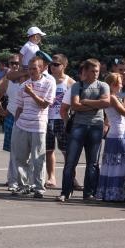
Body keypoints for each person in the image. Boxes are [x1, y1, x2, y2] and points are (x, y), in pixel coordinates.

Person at [58, 59, 110, 202]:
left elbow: (106, 102)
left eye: (97, 71)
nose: (95, 74)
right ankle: (65, 192)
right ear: (85, 71)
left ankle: (89, 193)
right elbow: (74, 106)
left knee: (92, 162)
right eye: (92, 71)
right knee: (70, 161)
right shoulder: (77, 85)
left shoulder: (103, 85)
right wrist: (95, 105)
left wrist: (85, 102)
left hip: (96, 126)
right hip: (78, 126)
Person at [11, 56, 55, 198]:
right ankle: (23, 186)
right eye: (29, 69)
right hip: (22, 125)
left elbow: (44, 105)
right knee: (20, 158)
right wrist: (16, 123)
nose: (31, 71)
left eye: (34, 68)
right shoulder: (24, 85)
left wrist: (32, 93)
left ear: (41, 68)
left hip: (38, 126)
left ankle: (38, 187)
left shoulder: (49, 82)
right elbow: (19, 107)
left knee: (38, 159)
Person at [45, 54, 75, 188]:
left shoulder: (69, 82)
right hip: (46, 119)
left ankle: (72, 179)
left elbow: (75, 102)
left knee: (66, 151)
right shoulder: (46, 79)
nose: (52, 67)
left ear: (64, 65)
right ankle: (51, 177)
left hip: (62, 120)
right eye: (51, 64)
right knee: (48, 150)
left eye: (56, 64)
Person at [96, 73, 125, 201]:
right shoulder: (112, 97)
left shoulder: (111, 97)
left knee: (113, 164)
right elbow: (123, 112)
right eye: (120, 83)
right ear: (113, 85)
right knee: (118, 164)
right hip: (118, 133)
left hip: (114, 132)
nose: (122, 85)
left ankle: (109, 192)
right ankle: (115, 194)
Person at [0, 54, 21, 191]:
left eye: (17, 63)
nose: (15, 65)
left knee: (26, 151)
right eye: (12, 63)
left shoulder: (26, 77)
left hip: (26, 117)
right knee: (13, 152)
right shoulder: (7, 80)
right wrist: (2, 111)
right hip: (11, 116)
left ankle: (23, 180)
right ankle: (12, 179)